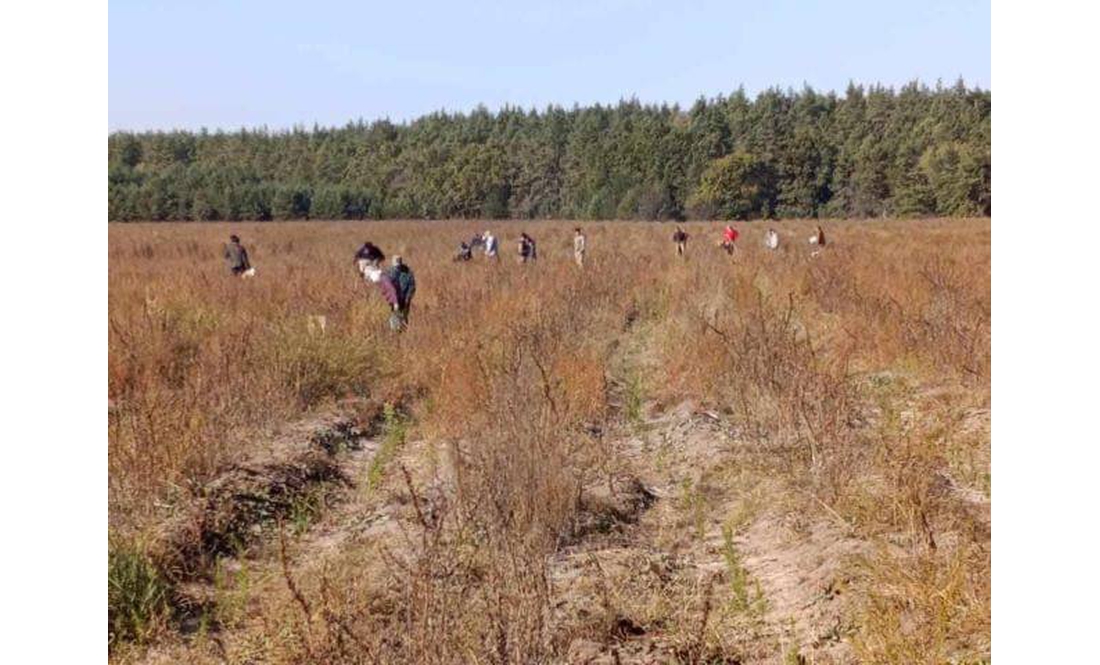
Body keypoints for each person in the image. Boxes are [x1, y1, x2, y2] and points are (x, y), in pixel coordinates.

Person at [386, 255, 417, 331]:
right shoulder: (389, 272)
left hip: (405, 299)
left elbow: (412, 286)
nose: (397, 267)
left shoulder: (408, 272)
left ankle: (403, 333)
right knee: (394, 317)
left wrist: (408, 298)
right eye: (396, 266)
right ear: (392, 263)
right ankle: (395, 333)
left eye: (398, 265)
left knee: (404, 317)